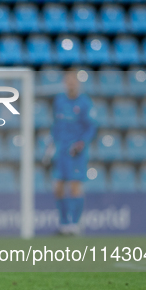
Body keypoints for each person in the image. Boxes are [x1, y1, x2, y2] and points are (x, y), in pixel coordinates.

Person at [49, 70, 97, 235]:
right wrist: (51, 144)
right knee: (58, 187)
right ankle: (63, 224)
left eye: (73, 81)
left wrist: (81, 143)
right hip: (61, 150)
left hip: (76, 151)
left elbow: (91, 127)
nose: (70, 84)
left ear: (78, 83)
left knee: (75, 186)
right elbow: (56, 124)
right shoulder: (59, 101)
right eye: (67, 81)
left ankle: (75, 225)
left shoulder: (84, 102)